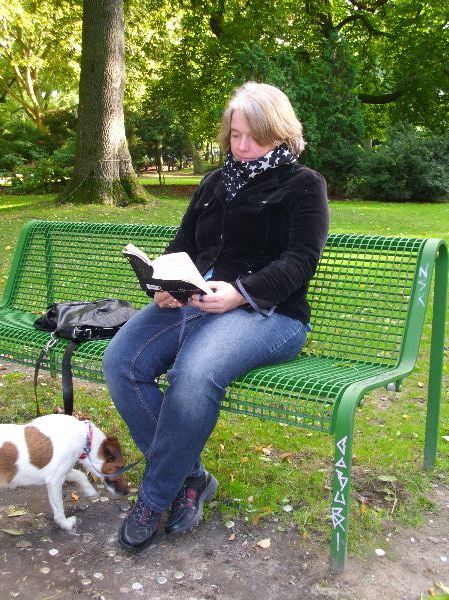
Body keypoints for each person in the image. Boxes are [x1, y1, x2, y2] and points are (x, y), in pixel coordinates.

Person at [102, 81, 329, 552]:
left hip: (271, 313)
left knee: (193, 373)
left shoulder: (304, 184)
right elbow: (183, 244)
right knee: (121, 361)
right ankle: (191, 477)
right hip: (197, 300)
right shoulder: (214, 182)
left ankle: (154, 498)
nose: (241, 147)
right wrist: (165, 283)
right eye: (235, 135)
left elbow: (300, 261)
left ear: (280, 133)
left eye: (254, 137)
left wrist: (241, 293)